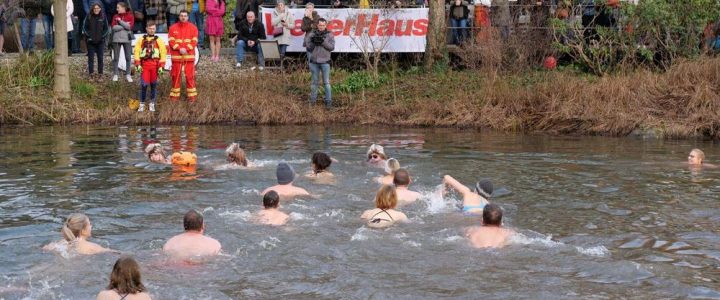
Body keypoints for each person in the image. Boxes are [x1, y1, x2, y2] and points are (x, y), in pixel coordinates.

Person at [134, 22, 167, 112]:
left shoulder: (158, 40)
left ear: (155, 29)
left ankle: (152, 104)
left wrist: (161, 66)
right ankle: (142, 104)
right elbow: (136, 51)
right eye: (150, 28)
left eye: (153, 28)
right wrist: (137, 64)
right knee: (143, 85)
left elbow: (163, 53)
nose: (151, 30)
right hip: (144, 66)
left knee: (153, 85)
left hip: (155, 66)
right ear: (146, 29)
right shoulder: (141, 39)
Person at [43, 213, 114, 255]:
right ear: (82, 230)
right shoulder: (93, 247)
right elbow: (116, 253)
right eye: (89, 224)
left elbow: (44, 248)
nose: (91, 226)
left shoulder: (60, 243)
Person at [168, 10, 199, 101]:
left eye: (185, 16)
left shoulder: (193, 28)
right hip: (177, 58)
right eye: (181, 15)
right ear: (179, 17)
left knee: (190, 77)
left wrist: (186, 49)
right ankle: (174, 98)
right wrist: (179, 49)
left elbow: (194, 41)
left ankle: (192, 98)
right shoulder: (172, 28)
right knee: (175, 77)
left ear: (188, 17)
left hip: (188, 57)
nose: (183, 17)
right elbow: (171, 41)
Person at [305, 18, 334, 107]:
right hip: (314, 61)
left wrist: (323, 41)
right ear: (317, 25)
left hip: (325, 62)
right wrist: (314, 42)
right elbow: (308, 48)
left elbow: (332, 47)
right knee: (314, 83)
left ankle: (328, 103)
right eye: (320, 25)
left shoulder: (330, 35)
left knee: (326, 83)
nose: (321, 27)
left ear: (325, 25)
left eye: (323, 25)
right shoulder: (312, 34)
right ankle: (313, 102)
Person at [83, 3, 110, 82]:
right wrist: (89, 37)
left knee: (100, 58)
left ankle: (100, 75)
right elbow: (84, 28)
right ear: (92, 9)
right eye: (95, 8)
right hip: (90, 42)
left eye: (98, 8)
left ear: (100, 9)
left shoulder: (103, 17)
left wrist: (101, 37)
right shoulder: (88, 16)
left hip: (100, 42)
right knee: (91, 59)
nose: (96, 10)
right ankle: (91, 74)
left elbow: (106, 29)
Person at [110, 2, 135, 82]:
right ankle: (115, 74)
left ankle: (128, 74)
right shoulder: (115, 16)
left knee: (128, 57)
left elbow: (129, 27)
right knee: (116, 58)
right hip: (116, 39)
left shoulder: (130, 16)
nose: (117, 9)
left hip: (127, 39)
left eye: (118, 7)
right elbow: (113, 27)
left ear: (123, 8)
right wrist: (124, 25)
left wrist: (120, 22)